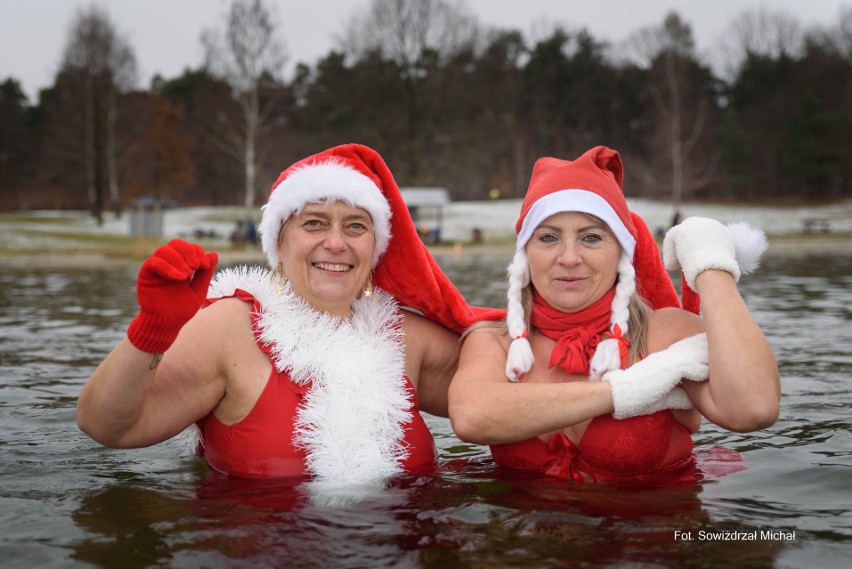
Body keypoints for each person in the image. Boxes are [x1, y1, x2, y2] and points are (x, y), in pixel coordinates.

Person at [77, 144, 499, 498]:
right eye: (314, 223)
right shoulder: (229, 328)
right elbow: (107, 426)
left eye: (356, 226)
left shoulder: (408, 336)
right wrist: (153, 330)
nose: (335, 243)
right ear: (279, 242)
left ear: (376, 248)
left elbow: (515, 389)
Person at [448, 146, 780, 485]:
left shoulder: (663, 333)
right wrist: (633, 388)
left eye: (591, 238)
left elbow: (754, 408)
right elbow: (470, 418)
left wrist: (712, 269)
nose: (569, 257)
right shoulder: (494, 341)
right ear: (524, 255)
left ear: (622, 253)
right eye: (548, 237)